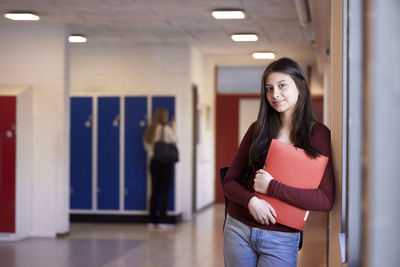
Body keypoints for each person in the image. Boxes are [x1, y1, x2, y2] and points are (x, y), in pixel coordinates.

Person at [222, 57, 335, 266]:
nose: (275, 94)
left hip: (282, 238)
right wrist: (251, 201)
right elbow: (229, 182)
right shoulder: (258, 129)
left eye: (282, 85)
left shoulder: (318, 135)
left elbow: (325, 199)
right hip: (238, 228)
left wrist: (272, 187)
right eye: (269, 88)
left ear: (300, 87)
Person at [143, 108, 177, 229]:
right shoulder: (166, 129)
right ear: (164, 117)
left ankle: (151, 220)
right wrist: (173, 126)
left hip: (153, 162)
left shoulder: (150, 129)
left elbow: (146, 147)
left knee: (154, 191)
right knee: (164, 192)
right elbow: (175, 140)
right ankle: (162, 220)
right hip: (165, 163)